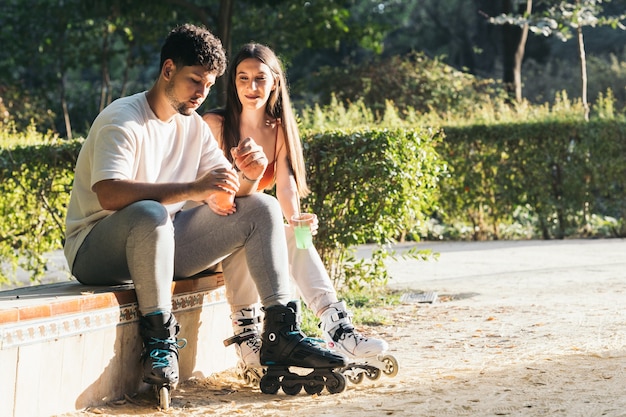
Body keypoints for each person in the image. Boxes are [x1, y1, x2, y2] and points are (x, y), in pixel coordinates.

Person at [63, 24, 346, 402]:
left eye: (209, 85)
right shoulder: (124, 119)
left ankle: (280, 333)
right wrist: (193, 189)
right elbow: (110, 193)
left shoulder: (192, 126)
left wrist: (249, 173)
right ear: (168, 70)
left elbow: (230, 196)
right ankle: (160, 343)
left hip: (163, 243)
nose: (202, 93)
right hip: (96, 247)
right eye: (194, 80)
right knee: (150, 214)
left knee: (262, 206)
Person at [203, 43, 392, 384]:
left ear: (275, 82)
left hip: (251, 227)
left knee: (289, 227)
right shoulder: (215, 124)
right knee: (262, 213)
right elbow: (210, 192)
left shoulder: (278, 129)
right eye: (243, 79)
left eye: (260, 79)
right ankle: (248, 336)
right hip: (209, 228)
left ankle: (337, 326)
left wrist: (298, 222)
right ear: (233, 83)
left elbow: (287, 186)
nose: (251, 87)